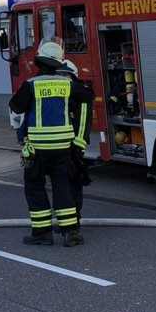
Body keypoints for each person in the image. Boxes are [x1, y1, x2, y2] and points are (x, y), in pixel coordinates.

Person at [8, 39, 87, 247]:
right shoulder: (67, 84)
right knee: (62, 186)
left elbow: (16, 107)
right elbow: (88, 96)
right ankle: (71, 233)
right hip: (62, 148)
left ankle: (42, 234)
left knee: (35, 187)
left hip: (38, 148)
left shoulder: (32, 84)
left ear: (39, 61)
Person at [61, 59, 94, 243]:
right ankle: (67, 222)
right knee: (63, 186)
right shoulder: (65, 94)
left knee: (73, 187)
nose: (61, 78)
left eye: (64, 75)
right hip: (62, 146)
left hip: (74, 147)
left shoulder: (81, 95)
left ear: (72, 77)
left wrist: (77, 150)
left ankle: (75, 223)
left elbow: (83, 124)